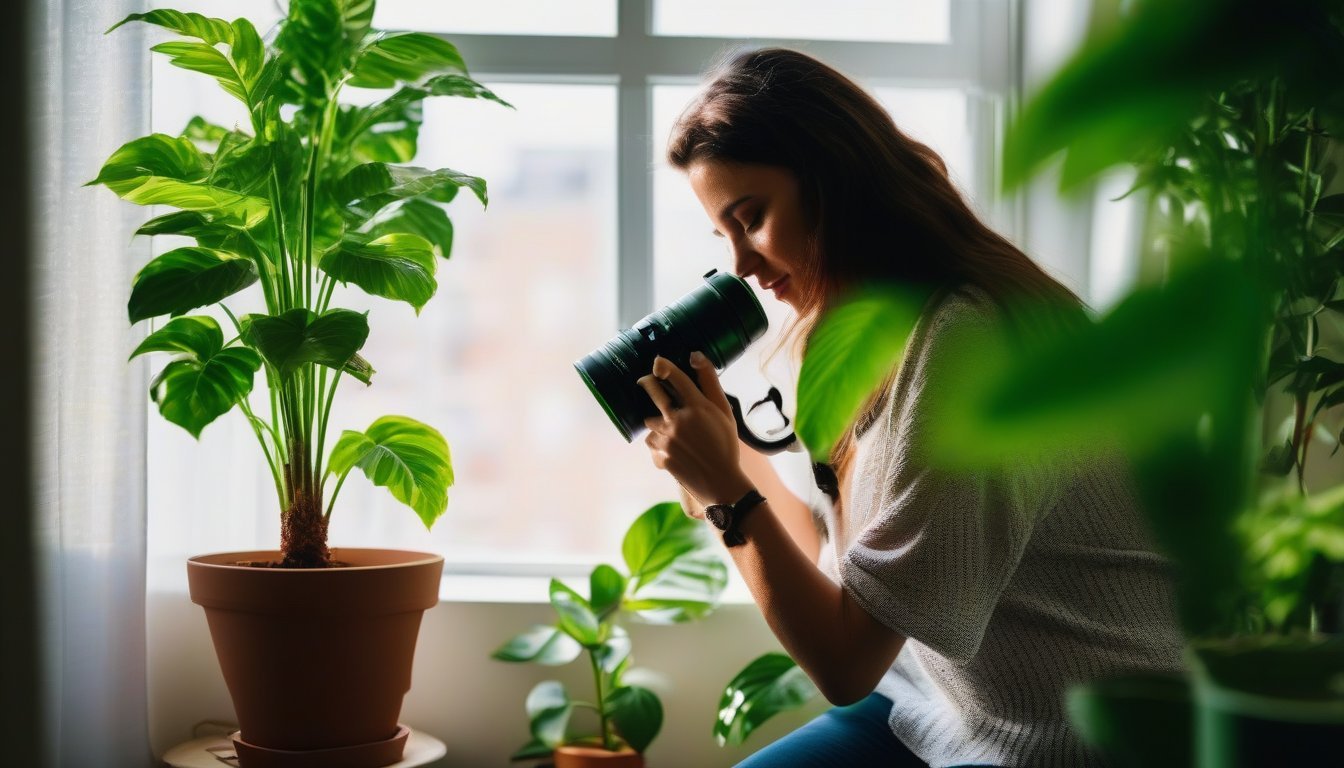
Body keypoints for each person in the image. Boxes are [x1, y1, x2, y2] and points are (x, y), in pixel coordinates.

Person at [636, 48, 1186, 767]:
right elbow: (835, 566)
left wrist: (727, 492)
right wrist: (723, 464)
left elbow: (844, 661)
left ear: (834, 182)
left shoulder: (971, 341)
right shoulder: (846, 334)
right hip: (930, 714)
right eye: (723, 234)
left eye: (753, 218)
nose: (739, 263)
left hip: (1065, 743)